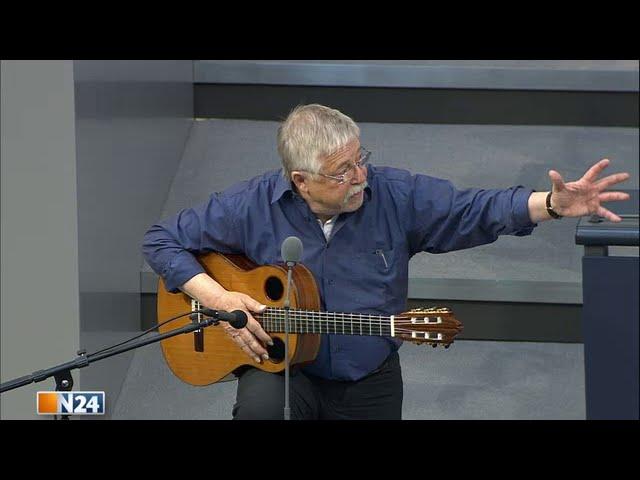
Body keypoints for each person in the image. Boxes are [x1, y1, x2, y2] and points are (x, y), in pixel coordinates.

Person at [142, 104, 630, 420]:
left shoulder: (394, 195)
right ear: (300, 179)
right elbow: (162, 241)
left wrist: (550, 204)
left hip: (366, 378)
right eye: (341, 172)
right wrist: (219, 297)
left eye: (361, 160)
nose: (359, 177)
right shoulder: (250, 205)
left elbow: (472, 208)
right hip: (283, 370)